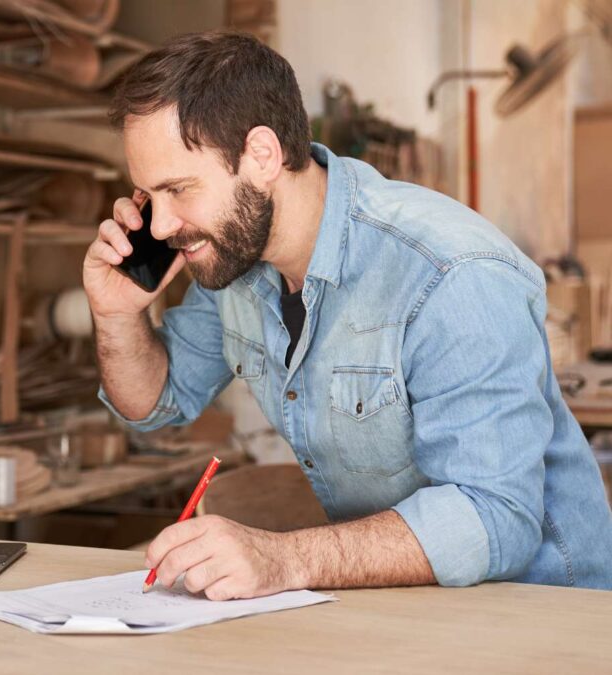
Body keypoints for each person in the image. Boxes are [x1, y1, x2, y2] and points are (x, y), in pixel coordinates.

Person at [83, 30, 612, 601]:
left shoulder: (451, 272)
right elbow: (155, 402)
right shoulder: (233, 260)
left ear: (261, 155)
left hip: (544, 612)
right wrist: (115, 315)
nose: (159, 226)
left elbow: (495, 518)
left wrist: (283, 558)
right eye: (147, 196)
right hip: (406, 601)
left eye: (178, 189)